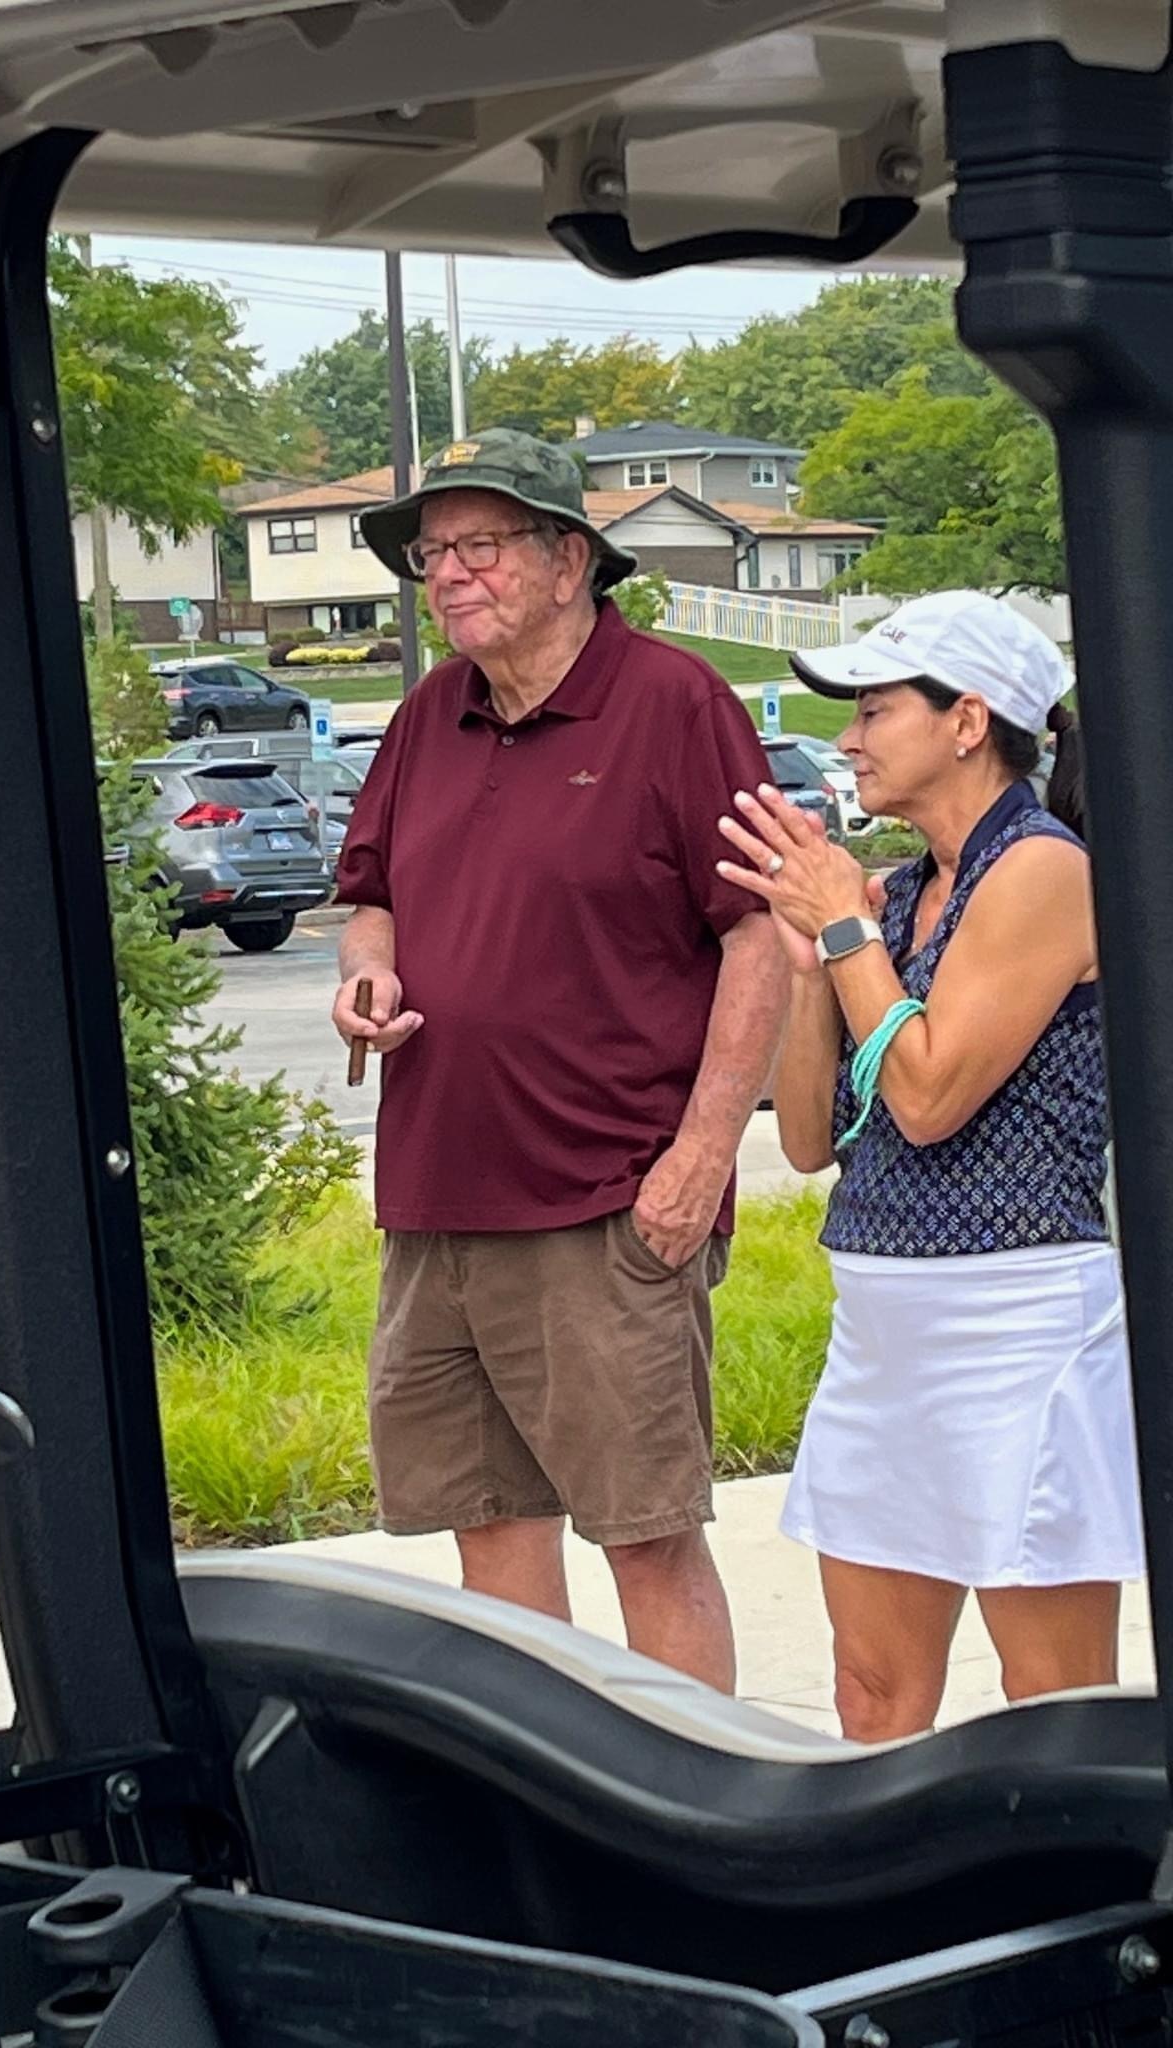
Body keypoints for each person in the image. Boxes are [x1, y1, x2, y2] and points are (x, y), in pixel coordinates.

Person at [330, 428, 787, 1690]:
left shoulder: (675, 705)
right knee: (487, 1525)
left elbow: (760, 936)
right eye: (432, 553)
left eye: (479, 546)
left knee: (647, 1535)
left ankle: (691, 1789)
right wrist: (367, 975)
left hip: (606, 1202)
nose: (448, 574)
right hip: (437, 1197)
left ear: (570, 558)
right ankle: (551, 1789)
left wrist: (701, 1158)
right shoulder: (428, 713)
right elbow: (370, 896)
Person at [716, 590, 1141, 1742]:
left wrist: (845, 935)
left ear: (968, 721)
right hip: (883, 1325)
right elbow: (809, 1138)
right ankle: (894, 1868)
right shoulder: (896, 894)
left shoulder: (1044, 870)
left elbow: (930, 1093)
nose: (850, 738)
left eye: (874, 709)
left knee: (1052, 1702)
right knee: (870, 1689)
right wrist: (810, 964)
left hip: (1019, 1324)